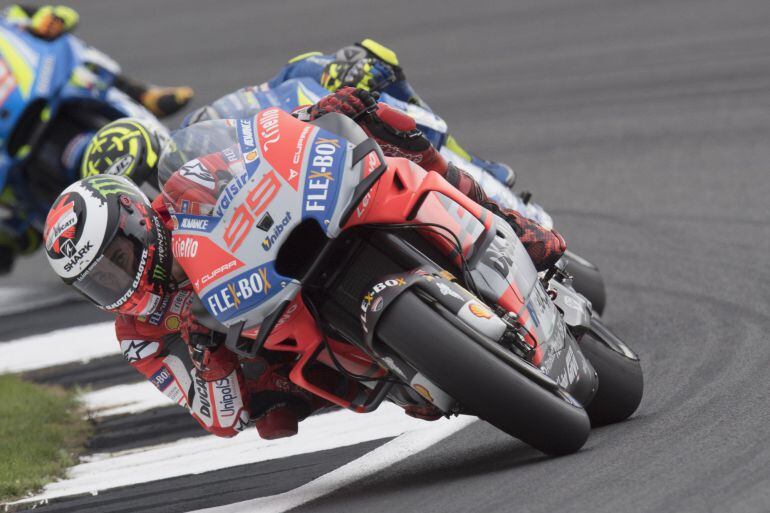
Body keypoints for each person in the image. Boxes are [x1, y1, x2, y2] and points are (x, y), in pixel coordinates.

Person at [43, 87, 565, 440]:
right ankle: (402, 371)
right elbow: (220, 419)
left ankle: (514, 226)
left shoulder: (181, 199)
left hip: (287, 247)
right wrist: (206, 355)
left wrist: (305, 124)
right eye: (98, 281)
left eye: (114, 258)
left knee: (375, 128)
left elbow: (251, 153)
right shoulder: (140, 332)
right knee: (273, 415)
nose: (114, 280)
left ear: (136, 221)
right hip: (271, 346)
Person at [0, 4, 193, 274]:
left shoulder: (9, 20)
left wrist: (49, 21)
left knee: (80, 61)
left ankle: (142, 94)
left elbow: (54, 15)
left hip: (45, 88)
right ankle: (23, 233)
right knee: (16, 224)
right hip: (8, 160)